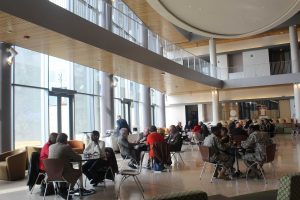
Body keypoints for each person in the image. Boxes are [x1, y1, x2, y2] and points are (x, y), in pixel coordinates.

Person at [48, 133, 81, 199]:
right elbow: (78, 158)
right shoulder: (66, 147)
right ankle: (68, 189)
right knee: (78, 172)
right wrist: (76, 154)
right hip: (63, 173)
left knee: (70, 167)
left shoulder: (51, 147)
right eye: (66, 139)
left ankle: (63, 189)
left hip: (51, 173)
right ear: (65, 139)